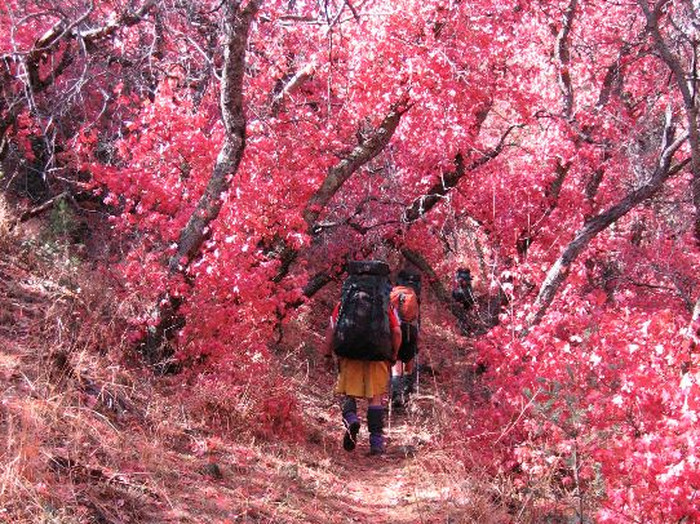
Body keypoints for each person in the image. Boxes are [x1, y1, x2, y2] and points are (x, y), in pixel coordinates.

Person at [323, 260, 402, 455]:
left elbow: (332, 330)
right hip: (378, 356)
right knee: (375, 399)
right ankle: (376, 444)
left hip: (350, 354)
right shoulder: (386, 305)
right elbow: (397, 332)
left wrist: (326, 353)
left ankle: (351, 420)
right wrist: (393, 354)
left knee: (349, 393)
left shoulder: (344, 303)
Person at [389, 270, 421, 409]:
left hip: (396, 328)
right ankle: (408, 394)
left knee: (396, 361)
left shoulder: (393, 293)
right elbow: (416, 317)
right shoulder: (413, 294)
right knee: (409, 360)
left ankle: (396, 394)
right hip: (411, 330)